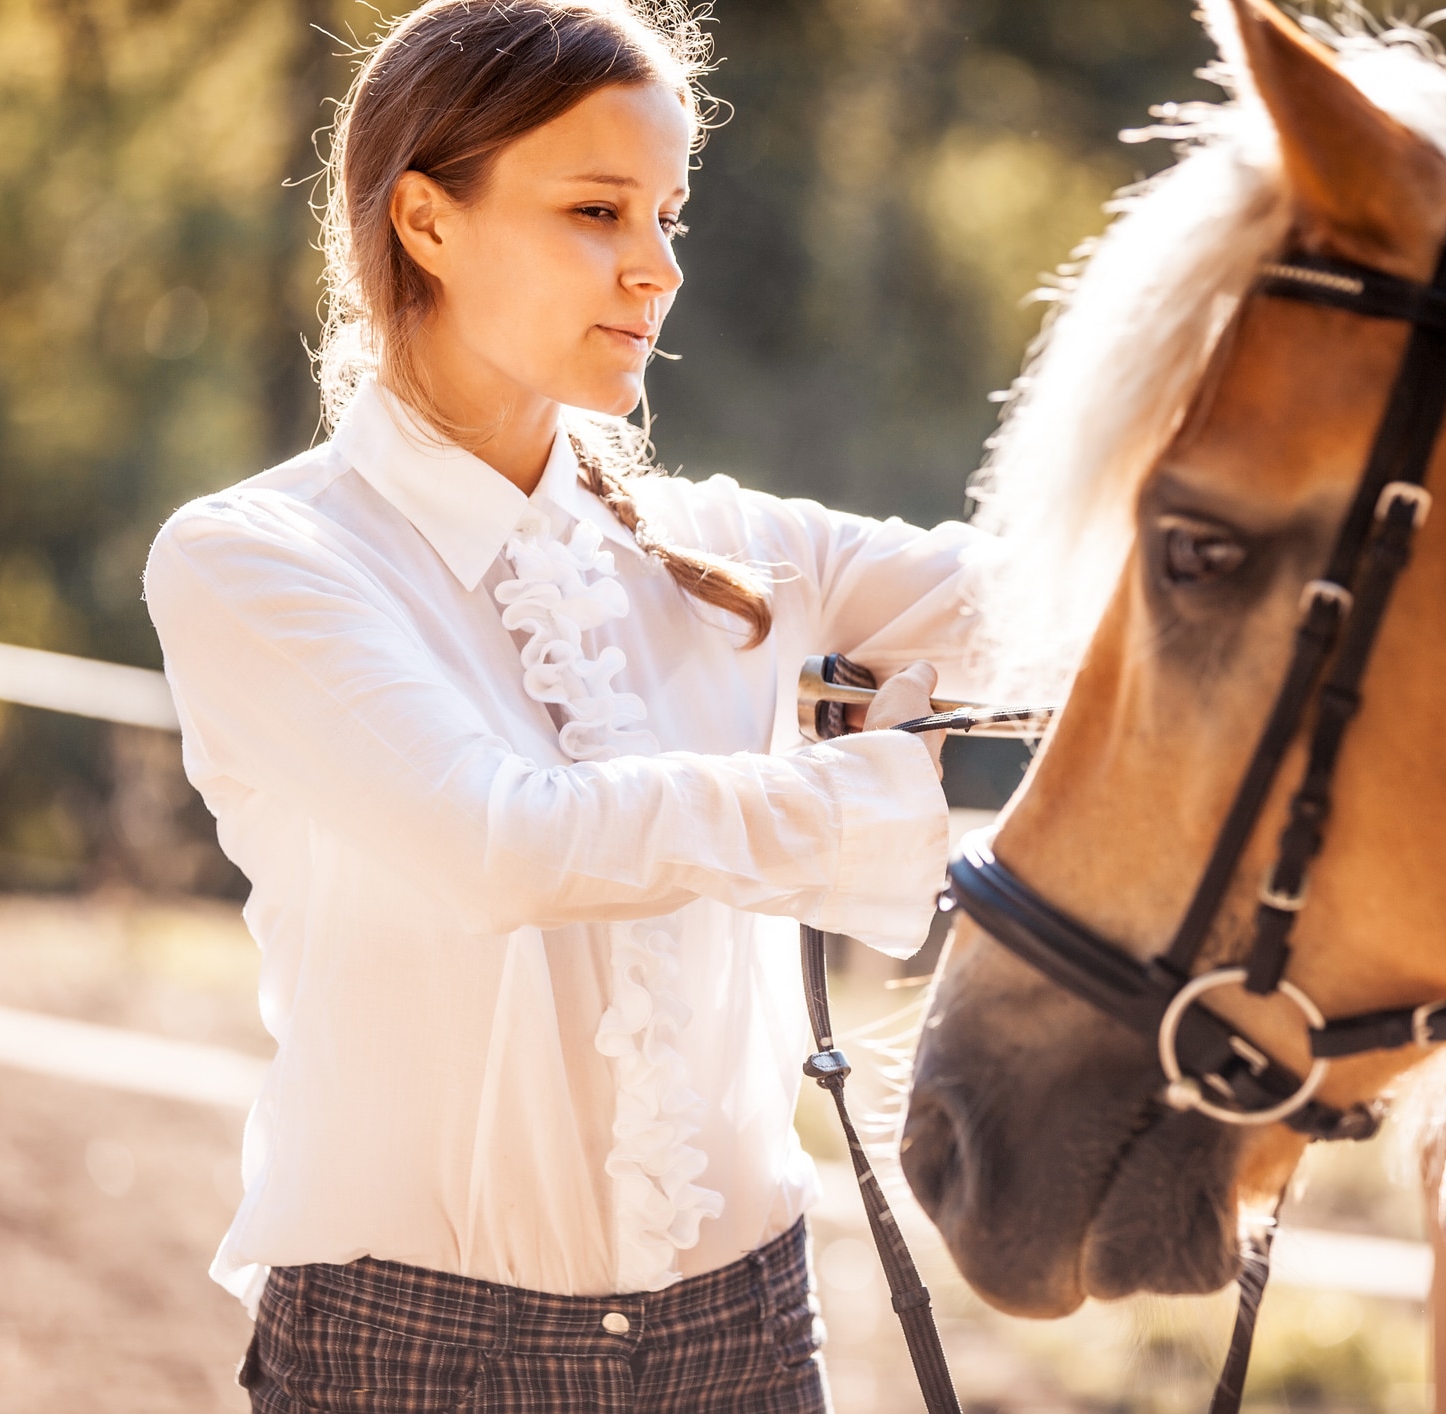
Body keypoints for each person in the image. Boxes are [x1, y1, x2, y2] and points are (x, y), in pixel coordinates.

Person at [143, 2, 985, 1408]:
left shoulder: (728, 546)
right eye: (597, 209)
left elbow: (1069, 598)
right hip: (408, 1357)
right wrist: (864, 799)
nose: (654, 268)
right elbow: (502, 841)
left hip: (750, 1335)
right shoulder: (258, 560)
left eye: (667, 214)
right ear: (425, 221)